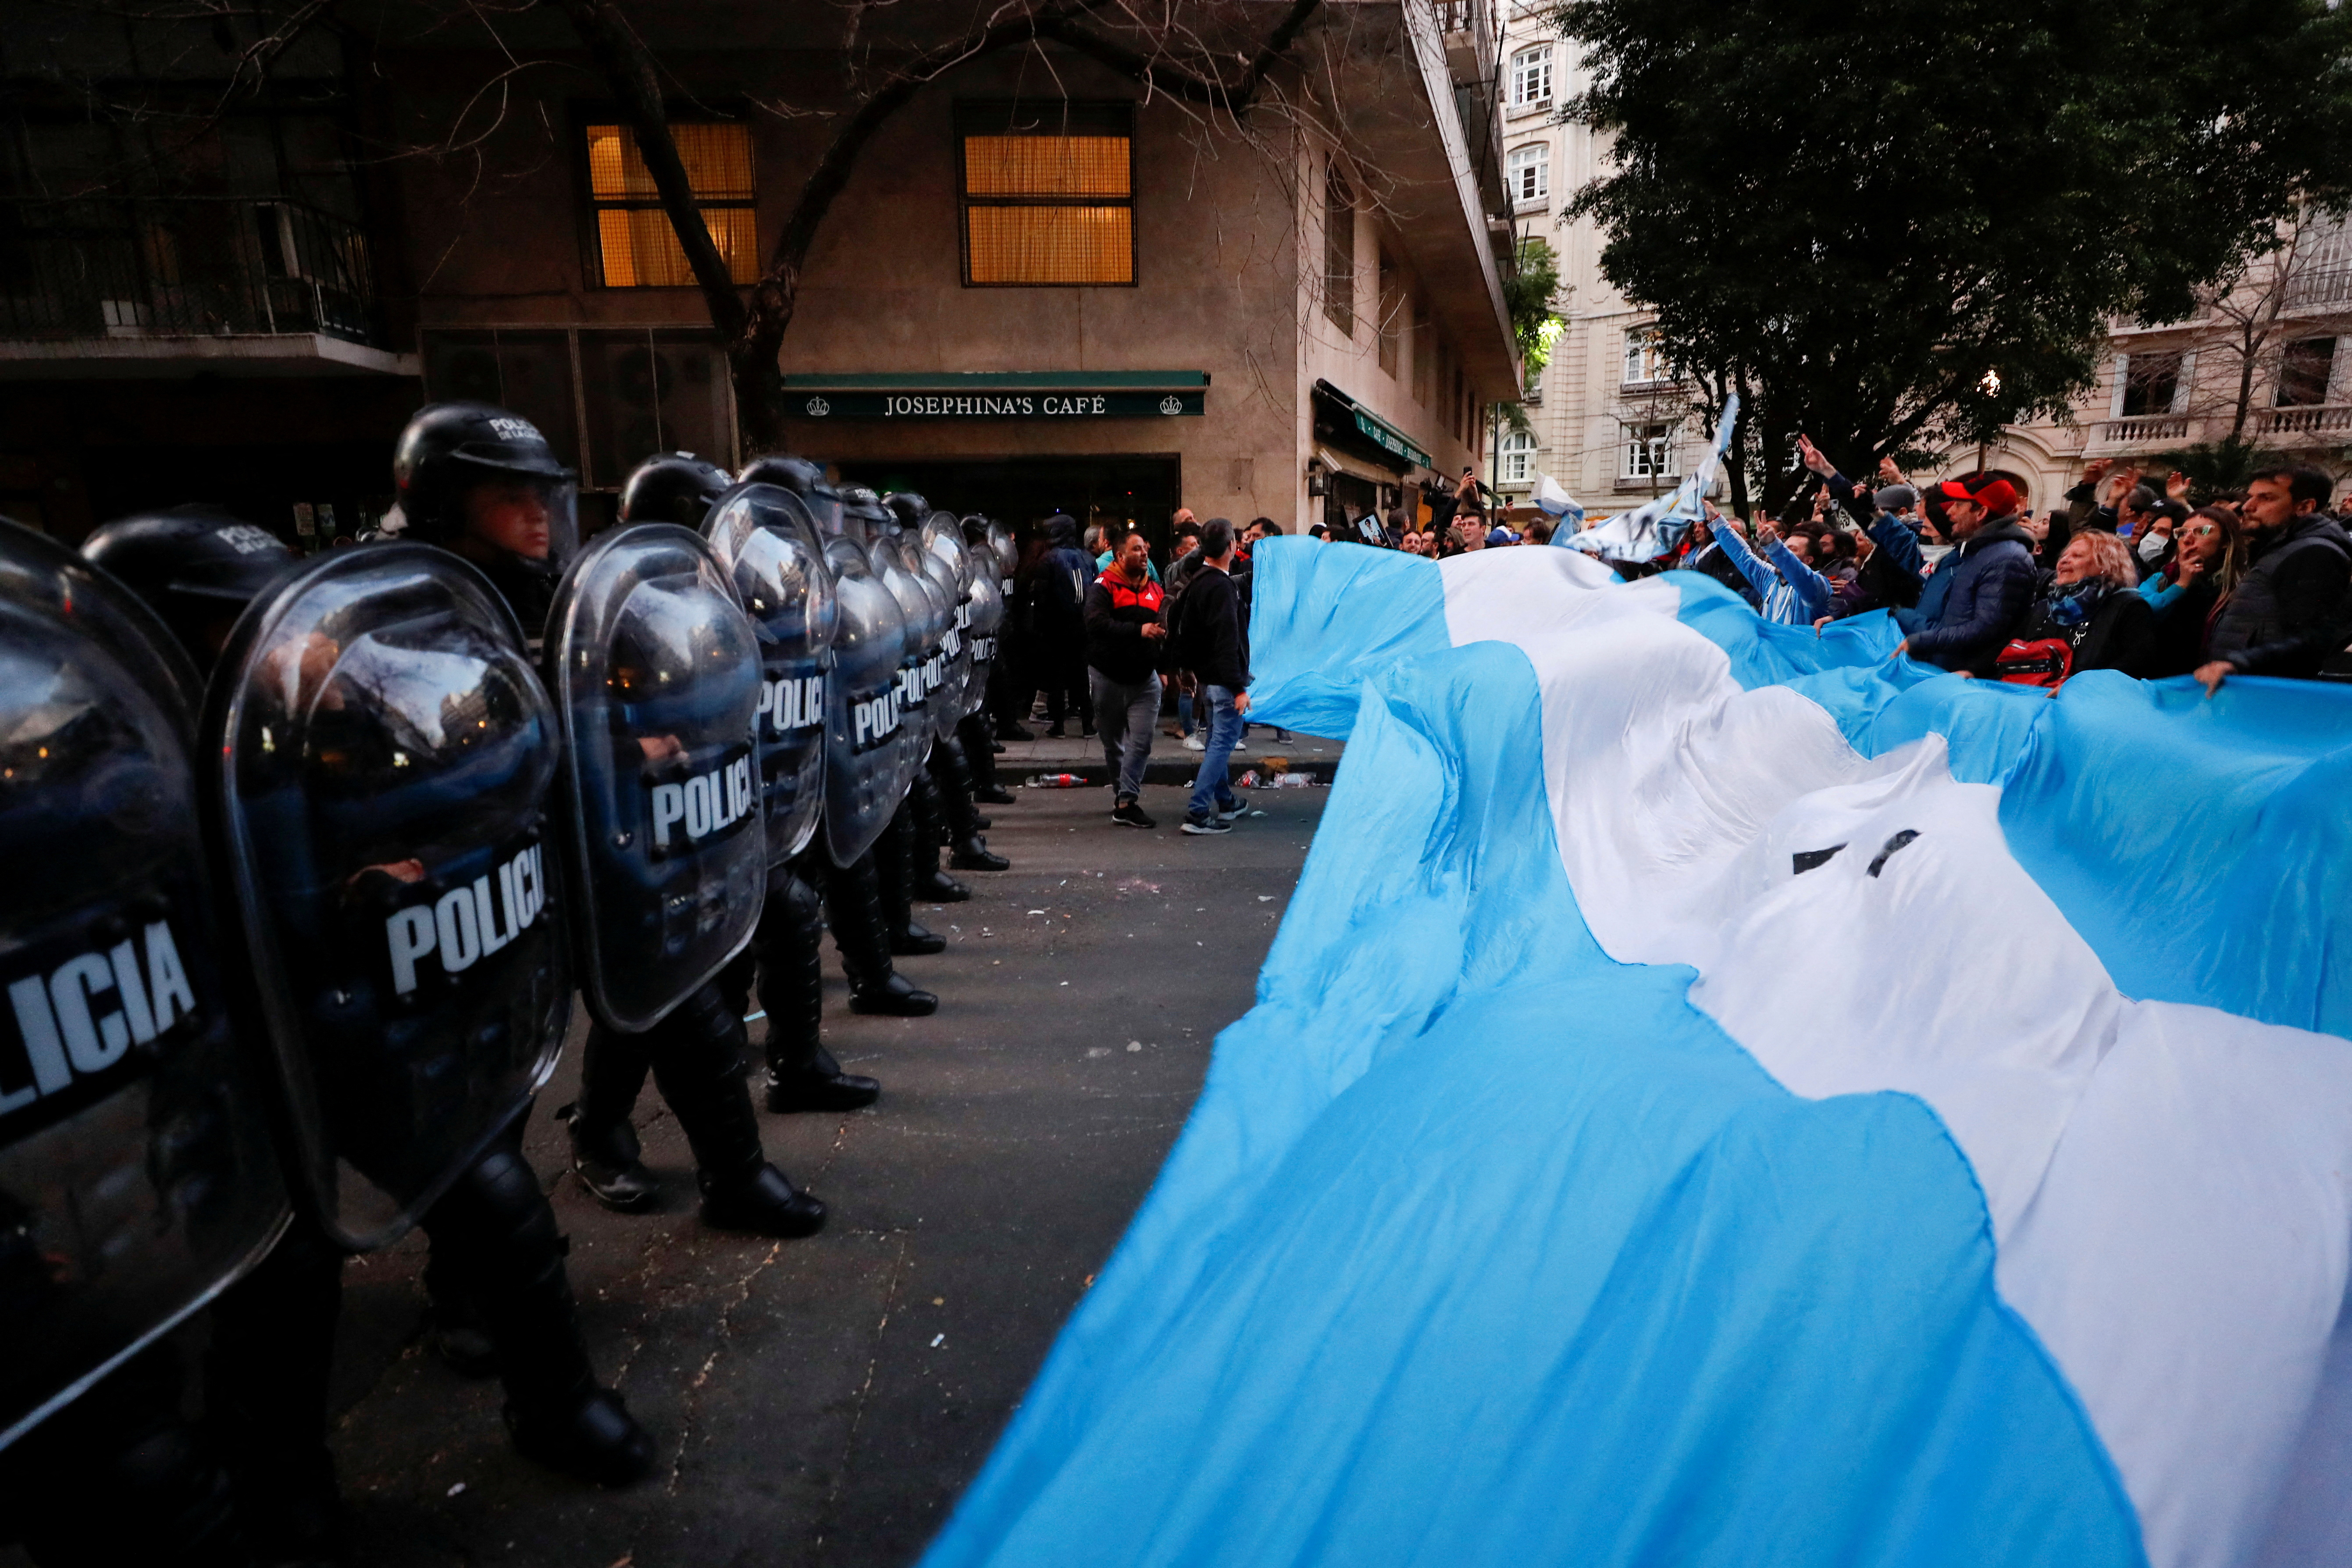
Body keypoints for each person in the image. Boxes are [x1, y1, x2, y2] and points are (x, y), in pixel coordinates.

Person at [2195, 464, 2352, 693]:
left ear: (2305, 507)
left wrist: (2239, 663)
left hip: (2265, 695)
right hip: (2245, 688)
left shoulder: (2314, 552)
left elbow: (2315, 638)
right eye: (2249, 497)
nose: (2248, 507)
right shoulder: (2281, 547)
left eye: (2266, 498)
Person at [1890, 476, 2038, 673]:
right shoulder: (1977, 552)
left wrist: (1923, 640)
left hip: (1967, 682)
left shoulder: (2008, 559)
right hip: (1948, 671)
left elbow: (1987, 629)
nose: (1950, 512)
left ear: (1982, 513)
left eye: (1959, 505)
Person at [1981, 529, 2155, 685]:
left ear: (2106, 565)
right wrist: (1972, 670)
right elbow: (2005, 647)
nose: (2064, 561)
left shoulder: (2130, 608)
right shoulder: (2045, 607)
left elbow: (2135, 665)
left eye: (2077, 556)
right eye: (2064, 556)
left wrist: (2080, 687)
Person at [1084, 528, 1167, 828]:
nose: (1144, 553)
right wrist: (1139, 631)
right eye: (1136, 549)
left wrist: (1166, 668)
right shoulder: (1103, 586)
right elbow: (1095, 624)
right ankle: (1122, 796)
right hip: (1107, 677)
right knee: (1114, 744)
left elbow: (1163, 629)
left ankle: (1128, 801)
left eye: (1145, 549)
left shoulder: (1156, 590)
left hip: (1145, 680)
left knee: (1142, 742)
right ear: (1119, 556)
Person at [1172, 517, 1249, 835]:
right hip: (1223, 681)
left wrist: (1186, 669)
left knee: (1216, 741)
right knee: (1221, 745)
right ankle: (1198, 811)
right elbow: (1227, 642)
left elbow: (1184, 629)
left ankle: (1225, 799)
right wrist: (1238, 687)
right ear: (1232, 546)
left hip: (1207, 679)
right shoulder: (1221, 587)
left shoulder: (1198, 582)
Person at [2138, 504, 2241, 677]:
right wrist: (2182, 584)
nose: (2188, 540)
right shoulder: (2163, 577)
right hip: (2157, 680)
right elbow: (2139, 612)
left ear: (2225, 542)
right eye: (2182, 532)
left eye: (2203, 532)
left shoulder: (2238, 589)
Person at [1704, 504, 1832, 625]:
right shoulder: (1769, 578)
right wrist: (1717, 521)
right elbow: (1743, 555)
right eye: (1784, 547)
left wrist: (1774, 544)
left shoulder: (1818, 585)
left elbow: (1796, 570)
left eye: (1791, 550)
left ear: (1808, 560)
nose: (1782, 552)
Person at [1031, 513, 1095, 736]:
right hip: (1083, 626)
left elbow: (1041, 598)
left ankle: (1058, 726)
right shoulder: (1087, 558)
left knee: (1057, 676)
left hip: (1056, 627)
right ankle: (1088, 724)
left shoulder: (1049, 559)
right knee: (1080, 674)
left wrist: (1039, 626)